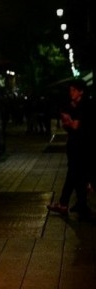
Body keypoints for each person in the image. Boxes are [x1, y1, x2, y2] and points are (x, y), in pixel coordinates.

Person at [47, 79, 92, 217]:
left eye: (73, 90)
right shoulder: (76, 105)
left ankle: (64, 203)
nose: (70, 93)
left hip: (81, 145)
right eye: (70, 90)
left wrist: (68, 120)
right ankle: (80, 205)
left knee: (74, 173)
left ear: (81, 91)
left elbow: (76, 126)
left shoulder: (84, 105)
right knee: (78, 174)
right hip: (77, 143)